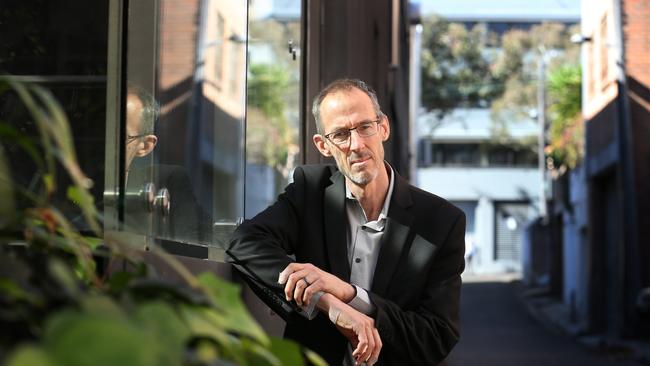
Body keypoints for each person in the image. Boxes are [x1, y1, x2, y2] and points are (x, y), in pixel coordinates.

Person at [228, 79, 465, 365]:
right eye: (340, 134)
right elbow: (243, 243)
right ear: (323, 145)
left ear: (384, 128)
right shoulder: (310, 191)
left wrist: (350, 294)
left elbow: (435, 337)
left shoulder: (440, 221)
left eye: (366, 127)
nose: (357, 145)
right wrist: (327, 302)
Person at [124, 85, 210, 242]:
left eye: (120, 134)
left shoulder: (166, 184)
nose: (105, 141)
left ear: (145, 146)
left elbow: (201, 241)